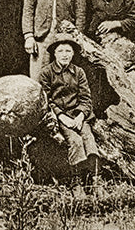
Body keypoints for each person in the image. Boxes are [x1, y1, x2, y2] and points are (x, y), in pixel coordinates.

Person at [38, 32, 99, 170]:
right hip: (59, 117)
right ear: (54, 53)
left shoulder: (79, 72)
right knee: (75, 141)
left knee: (89, 139)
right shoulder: (46, 73)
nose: (64, 54)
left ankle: (94, 180)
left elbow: (86, 98)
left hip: (78, 115)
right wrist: (62, 116)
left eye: (68, 51)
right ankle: (75, 182)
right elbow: (45, 101)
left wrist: (81, 116)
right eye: (60, 51)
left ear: (72, 54)